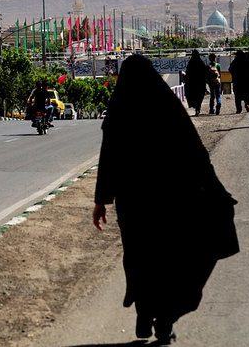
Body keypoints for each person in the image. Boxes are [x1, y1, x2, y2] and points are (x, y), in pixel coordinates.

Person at [93, 54, 240, 345]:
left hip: (133, 204)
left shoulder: (119, 110)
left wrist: (101, 201)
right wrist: (215, 190)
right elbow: (197, 155)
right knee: (172, 259)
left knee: (141, 257)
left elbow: (108, 158)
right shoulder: (168, 106)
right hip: (171, 202)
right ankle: (165, 317)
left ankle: (145, 314)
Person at [184, 49, 208, 116]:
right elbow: (205, 73)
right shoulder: (201, 63)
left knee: (193, 96)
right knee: (199, 97)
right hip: (200, 84)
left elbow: (188, 74)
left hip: (192, 85)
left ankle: (196, 108)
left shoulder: (190, 63)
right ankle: (198, 108)